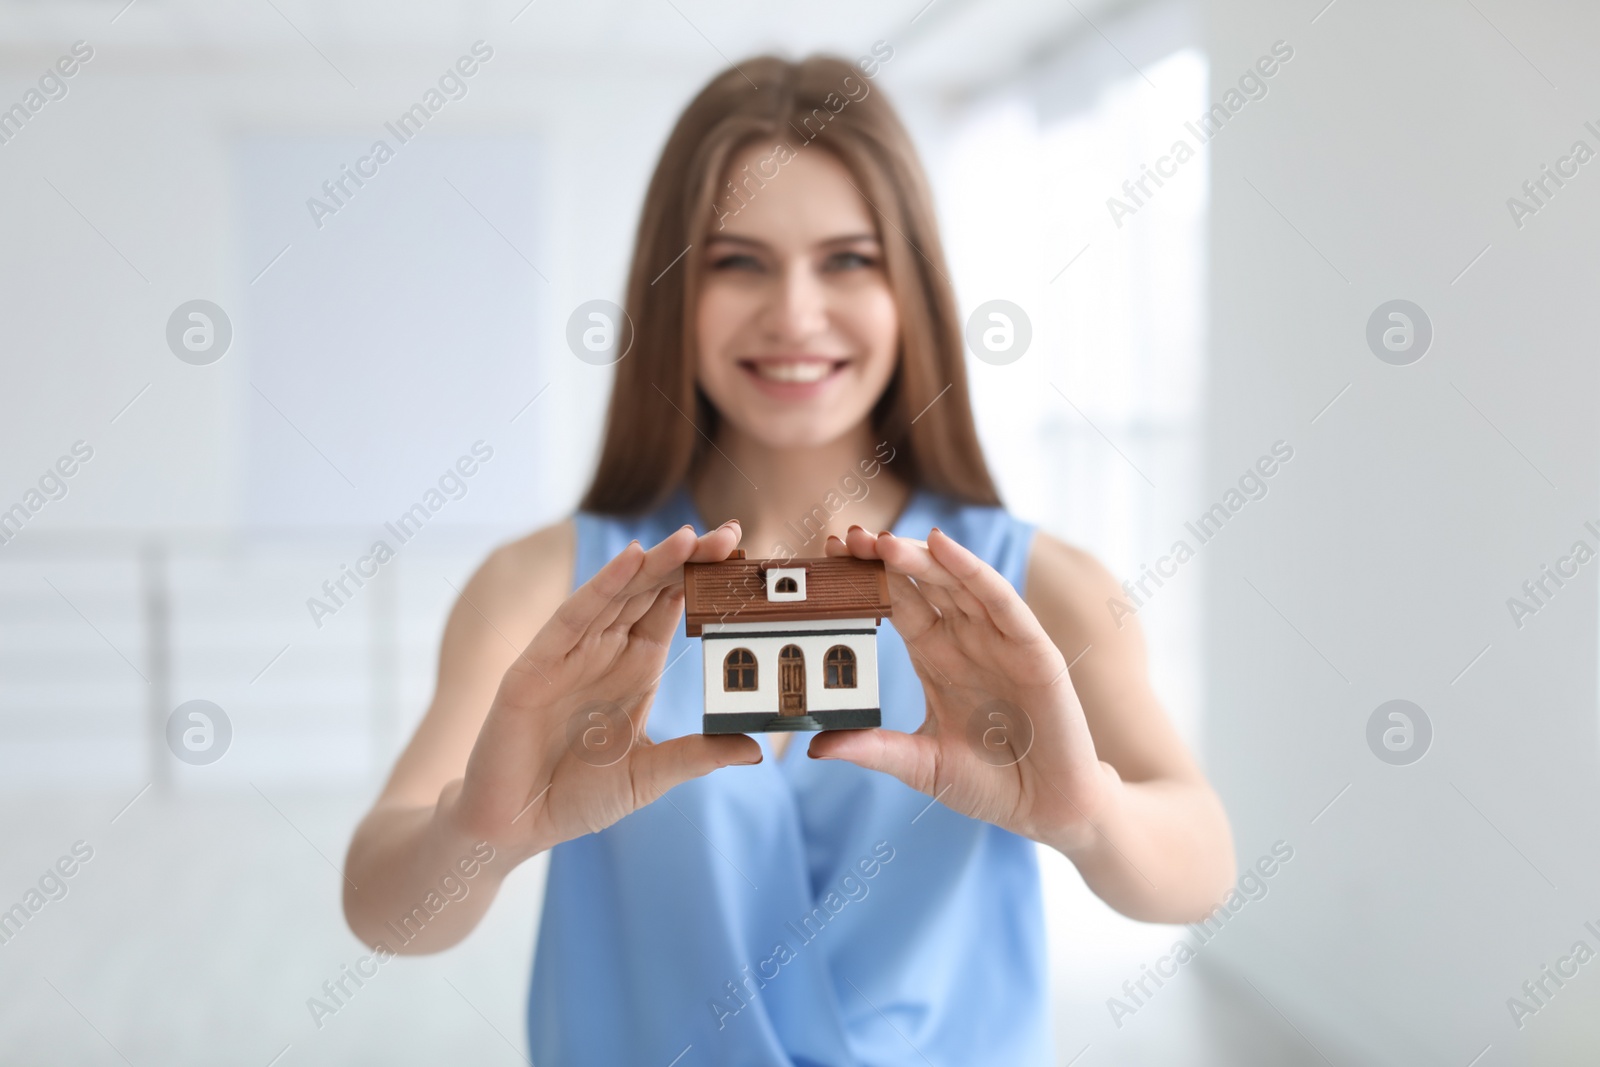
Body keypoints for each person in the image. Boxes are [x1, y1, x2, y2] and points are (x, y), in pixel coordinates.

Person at [344, 52, 1235, 1065]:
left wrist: (1088, 817)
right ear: (670, 289)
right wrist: (478, 838)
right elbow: (385, 910)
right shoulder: (544, 589)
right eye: (737, 261)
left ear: (913, 287)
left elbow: (1200, 863)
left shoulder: (1041, 589)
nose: (795, 314)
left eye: (848, 259)